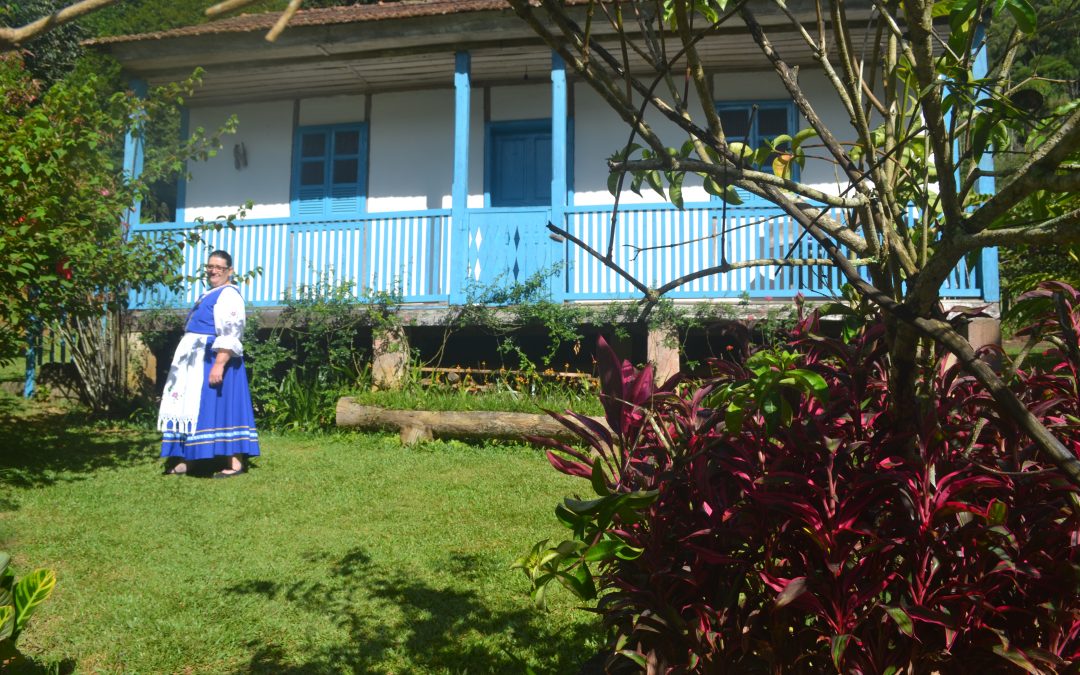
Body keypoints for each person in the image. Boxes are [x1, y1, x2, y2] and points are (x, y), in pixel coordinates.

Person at [158, 250, 260, 478]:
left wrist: (219, 365)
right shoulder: (209, 293)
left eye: (219, 268)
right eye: (210, 266)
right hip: (194, 362)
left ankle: (235, 464)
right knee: (191, 409)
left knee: (224, 409)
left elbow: (231, 333)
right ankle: (188, 460)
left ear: (230, 271)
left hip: (213, 360)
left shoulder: (229, 295)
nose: (213, 271)